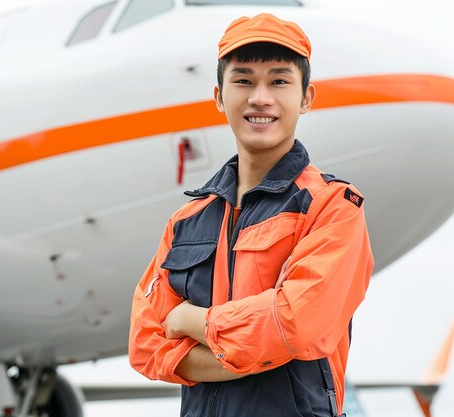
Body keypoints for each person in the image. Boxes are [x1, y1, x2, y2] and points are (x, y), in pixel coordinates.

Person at [128, 13, 374, 417]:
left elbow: (294, 324)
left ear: (307, 97)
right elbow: (145, 343)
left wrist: (195, 320)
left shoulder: (333, 208)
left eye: (279, 81)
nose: (261, 97)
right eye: (243, 80)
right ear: (220, 96)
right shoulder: (185, 222)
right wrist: (256, 343)